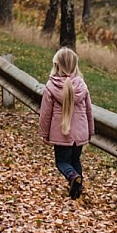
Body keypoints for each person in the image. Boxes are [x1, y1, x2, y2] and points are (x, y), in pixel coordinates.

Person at [38, 46, 94, 199]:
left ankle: (72, 178)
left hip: (62, 132)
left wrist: (44, 134)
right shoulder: (82, 86)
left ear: (56, 65)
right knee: (75, 159)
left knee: (62, 162)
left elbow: (45, 114)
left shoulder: (51, 87)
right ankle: (77, 187)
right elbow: (89, 111)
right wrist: (90, 131)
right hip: (80, 133)